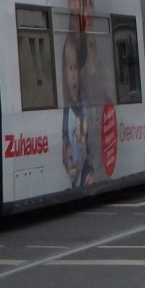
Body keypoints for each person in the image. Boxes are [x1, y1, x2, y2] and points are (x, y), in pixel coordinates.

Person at [60, 34, 94, 188]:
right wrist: (68, 166)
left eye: (76, 68)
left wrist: (79, 169)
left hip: (84, 172)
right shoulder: (66, 109)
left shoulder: (84, 107)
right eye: (70, 68)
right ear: (65, 73)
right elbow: (65, 140)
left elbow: (85, 146)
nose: (73, 74)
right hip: (74, 174)